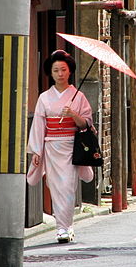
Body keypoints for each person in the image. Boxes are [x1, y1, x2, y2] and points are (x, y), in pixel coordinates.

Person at [26, 50, 94, 243]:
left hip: (72, 147)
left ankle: (65, 226)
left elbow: (86, 123)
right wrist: (36, 151)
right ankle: (63, 227)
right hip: (51, 147)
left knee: (67, 186)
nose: (60, 74)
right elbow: (39, 126)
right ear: (51, 72)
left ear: (70, 71)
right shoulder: (44, 98)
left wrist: (73, 114)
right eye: (56, 70)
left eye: (63, 69)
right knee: (56, 187)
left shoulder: (78, 96)